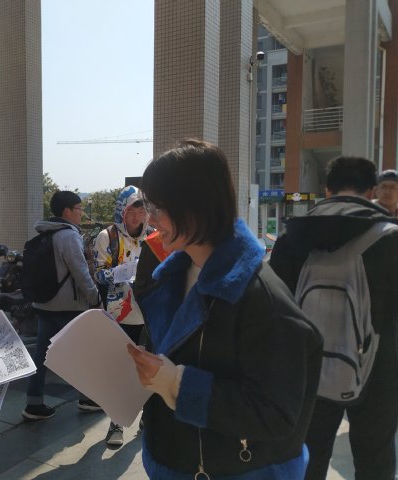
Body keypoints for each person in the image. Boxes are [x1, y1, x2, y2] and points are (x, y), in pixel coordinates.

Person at [127, 139, 322, 479]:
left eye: (158, 207)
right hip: (173, 460)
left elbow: (276, 412)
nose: (151, 220)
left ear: (195, 206)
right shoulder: (174, 276)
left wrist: (175, 383)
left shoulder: (262, 297)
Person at [270, 156, 398, 480]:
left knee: (307, 459)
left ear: (327, 190)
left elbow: (273, 310)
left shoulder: (291, 239)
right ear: (371, 192)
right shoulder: (391, 239)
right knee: (375, 461)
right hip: (379, 371)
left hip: (308, 371)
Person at [22, 190, 101, 420]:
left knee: (42, 355)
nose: (81, 213)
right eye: (79, 209)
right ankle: (88, 399)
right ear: (67, 211)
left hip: (44, 303)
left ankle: (33, 403)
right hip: (69, 307)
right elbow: (81, 272)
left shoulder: (45, 233)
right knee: (82, 353)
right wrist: (95, 297)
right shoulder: (68, 236)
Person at [92, 185, 152, 445]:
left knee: (150, 367)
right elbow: (98, 274)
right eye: (131, 212)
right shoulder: (107, 237)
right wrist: (123, 272)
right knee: (119, 370)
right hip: (119, 313)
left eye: (141, 211)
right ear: (122, 212)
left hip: (149, 312)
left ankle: (147, 416)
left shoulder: (154, 236)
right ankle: (116, 423)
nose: (137, 217)